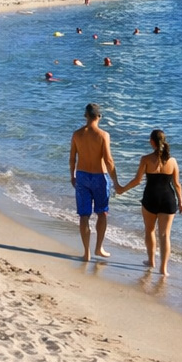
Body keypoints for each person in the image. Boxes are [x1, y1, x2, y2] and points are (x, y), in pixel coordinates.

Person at [116, 129, 182, 275]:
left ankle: (151, 260)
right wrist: (181, 202)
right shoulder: (172, 161)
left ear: (152, 142)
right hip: (168, 199)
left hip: (150, 198)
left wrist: (122, 189)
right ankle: (163, 269)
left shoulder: (145, 159)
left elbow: (137, 181)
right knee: (165, 235)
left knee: (150, 230)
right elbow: (177, 184)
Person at [69, 103, 116, 261]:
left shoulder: (77, 134)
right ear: (99, 116)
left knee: (84, 215)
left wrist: (72, 176)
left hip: (82, 176)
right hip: (99, 176)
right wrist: (115, 180)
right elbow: (108, 160)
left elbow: (72, 159)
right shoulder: (103, 135)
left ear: (85, 116)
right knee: (102, 213)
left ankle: (86, 253)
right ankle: (98, 248)